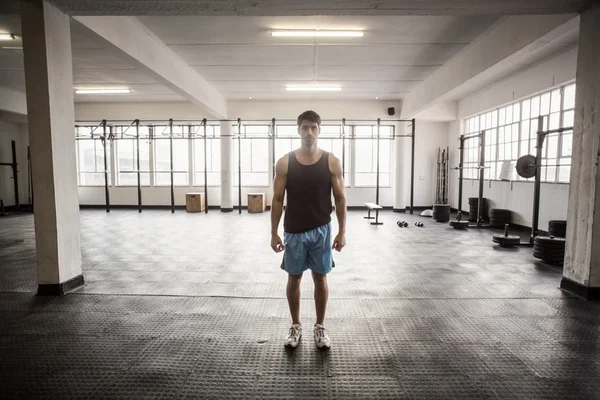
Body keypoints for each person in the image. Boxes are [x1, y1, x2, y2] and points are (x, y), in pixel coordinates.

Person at [270, 110, 347, 349]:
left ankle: (320, 327)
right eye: (305, 128)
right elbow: (276, 199)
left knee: (320, 278)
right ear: (298, 130)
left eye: (314, 128)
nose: (309, 132)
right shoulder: (285, 162)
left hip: (322, 230)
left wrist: (342, 232)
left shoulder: (331, 161)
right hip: (294, 231)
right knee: (294, 278)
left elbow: (341, 198)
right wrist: (273, 232)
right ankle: (295, 326)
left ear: (319, 130)